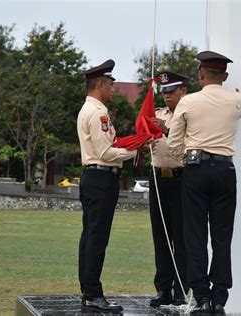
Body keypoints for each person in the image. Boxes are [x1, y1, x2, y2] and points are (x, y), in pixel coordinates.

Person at [167, 51, 241, 315]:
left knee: (195, 236)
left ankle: (202, 298)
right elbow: (237, 109)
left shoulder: (188, 101)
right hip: (225, 170)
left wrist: (186, 158)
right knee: (222, 237)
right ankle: (220, 297)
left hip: (196, 170)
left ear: (201, 74)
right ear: (225, 76)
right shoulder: (236, 100)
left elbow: (175, 142)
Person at [77, 59, 143, 313]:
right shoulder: (98, 112)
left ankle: (88, 290)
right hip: (101, 177)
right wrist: (135, 148)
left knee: (90, 236)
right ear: (101, 84)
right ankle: (93, 292)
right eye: (111, 85)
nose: (113, 90)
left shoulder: (89, 109)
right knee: (97, 237)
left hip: (93, 177)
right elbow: (105, 152)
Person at [148, 71, 189, 307]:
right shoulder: (157, 114)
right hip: (157, 178)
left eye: (171, 91)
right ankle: (163, 288)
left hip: (180, 177)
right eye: (163, 92)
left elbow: (188, 142)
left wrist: (165, 129)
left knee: (181, 237)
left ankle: (181, 289)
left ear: (183, 90)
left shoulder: (189, 114)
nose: (166, 97)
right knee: (161, 236)